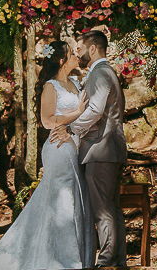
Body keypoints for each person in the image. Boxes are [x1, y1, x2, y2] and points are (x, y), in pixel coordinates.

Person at [0, 40, 95, 270]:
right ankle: (61, 259)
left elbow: (84, 117)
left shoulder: (76, 82)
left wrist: (74, 127)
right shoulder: (50, 86)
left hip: (74, 146)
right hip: (58, 149)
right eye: (72, 52)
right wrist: (76, 112)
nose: (77, 54)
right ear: (62, 60)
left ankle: (76, 256)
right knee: (61, 199)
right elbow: (47, 121)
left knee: (76, 195)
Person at [51, 30, 128, 267]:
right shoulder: (103, 72)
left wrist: (72, 129)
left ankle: (105, 261)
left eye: (81, 49)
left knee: (103, 209)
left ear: (93, 48)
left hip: (101, 149)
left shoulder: (101, 72)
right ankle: (117, 261)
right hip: (108, 150)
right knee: (112, 208)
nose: (79, 53)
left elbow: (95, 110)